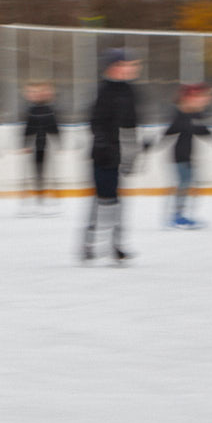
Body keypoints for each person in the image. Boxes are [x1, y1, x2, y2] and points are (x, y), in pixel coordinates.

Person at [82, 48, 143, 264]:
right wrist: (103, 145)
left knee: (116, 200)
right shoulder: (104, 91)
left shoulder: (130, 92)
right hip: (102, 154)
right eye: (128, 64)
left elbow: (132, 123)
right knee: (103, 200)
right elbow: (95, 122)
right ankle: (91, 243)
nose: (133, 68)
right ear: (115, 67)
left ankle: (115, 245)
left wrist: (134, 151)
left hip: (118, 153)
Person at [159, 83, 212, 229]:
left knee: (192, 184)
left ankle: (182, 215)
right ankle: (176, 216)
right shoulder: (179, 114)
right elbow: (168, 133)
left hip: (189, 155)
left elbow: (205, 132)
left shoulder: (196, 114)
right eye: (200, 97)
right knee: (183, 184)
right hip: (177, 156)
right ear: (188, 98)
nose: (205, 100)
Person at [20, 80, 61, 213]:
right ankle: (38, 193)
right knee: (36, 171)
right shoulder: (31, 110)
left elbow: (53, 127)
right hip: (34, 145)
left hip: (44, 144)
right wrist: (25, 144)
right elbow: (28, 128)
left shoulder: (49, 110)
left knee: (43, 170)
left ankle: (43, 194)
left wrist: (57, 142)